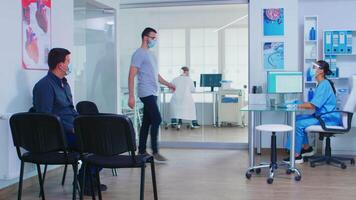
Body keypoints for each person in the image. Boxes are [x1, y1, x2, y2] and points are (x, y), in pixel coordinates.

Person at [32, 48, 105, 195]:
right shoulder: (44, 86)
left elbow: (71, 110)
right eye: (68, 61)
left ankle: (85, 177)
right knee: (98, 144)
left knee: (105, 140)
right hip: (60, 135)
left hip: (73, 129)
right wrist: (71, 128)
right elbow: (46, 118)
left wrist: (84, 124)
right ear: (60, 65)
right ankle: (85, 178)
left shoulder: (64, 84)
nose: (70, 64)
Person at [128, 27, 175, 161]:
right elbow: (131, 75)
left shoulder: (151, 54)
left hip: (153, 92)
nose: (155, 40)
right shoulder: (139, 54)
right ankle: (155, 151)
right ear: (145, 37)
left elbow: (156, 75)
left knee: (146, 123)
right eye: (153, 38)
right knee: (157, 119)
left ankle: (141, 151)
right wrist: (131, 96)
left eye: (156, 38)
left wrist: (168, 84)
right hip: (145, 92)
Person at [284, 60, 341, 163]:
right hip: (323, 116)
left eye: (315, 67)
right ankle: (307, 148)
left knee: (297, 124)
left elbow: (312, 105)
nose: (312, 69)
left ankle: (297, 156)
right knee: (297, 118)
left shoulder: (324, 85)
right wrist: (299, 103)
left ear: (321, 71)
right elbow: (315, 103)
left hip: (327, 119)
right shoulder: (322, 84)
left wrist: (296, 105)